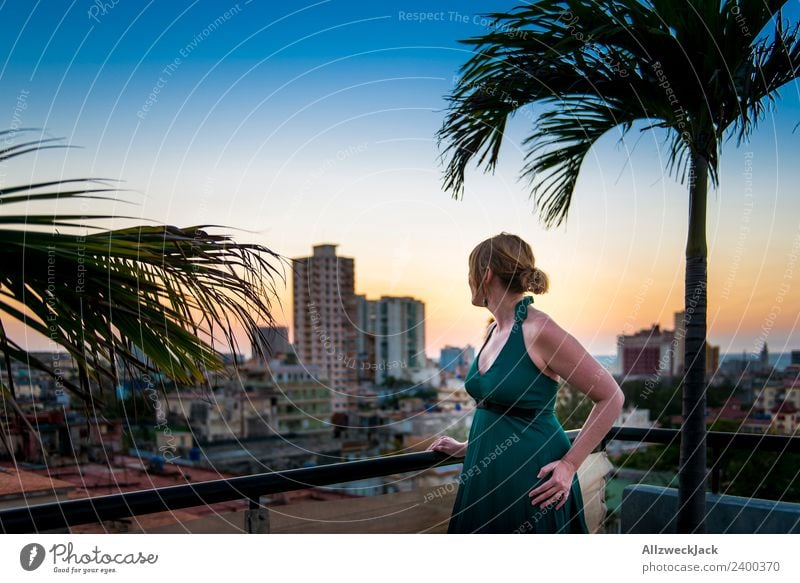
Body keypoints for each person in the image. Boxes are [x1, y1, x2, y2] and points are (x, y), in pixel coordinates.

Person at [428, 232, 624, 533]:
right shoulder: (494, 330)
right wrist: (469, 446)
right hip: (484, 470)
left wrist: (570, 465)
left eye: (471, 271)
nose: (468, 279)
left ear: (486, 274)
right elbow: (500, 408)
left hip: (532, 475)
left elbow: (612, 397)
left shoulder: (539, 329)